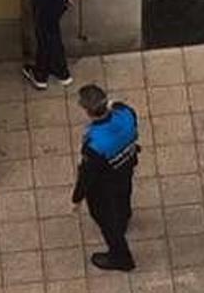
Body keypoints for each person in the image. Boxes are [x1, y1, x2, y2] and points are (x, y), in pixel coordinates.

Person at [71, 84, 139, 271]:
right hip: (126, 167)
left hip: (105, 184)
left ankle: (121, 258)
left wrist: (77, 198)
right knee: (123, 195)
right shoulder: (126, 113)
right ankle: (124, 218)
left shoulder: (94, 143)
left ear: (87, 111)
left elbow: (87, 174)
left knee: (107, 222)